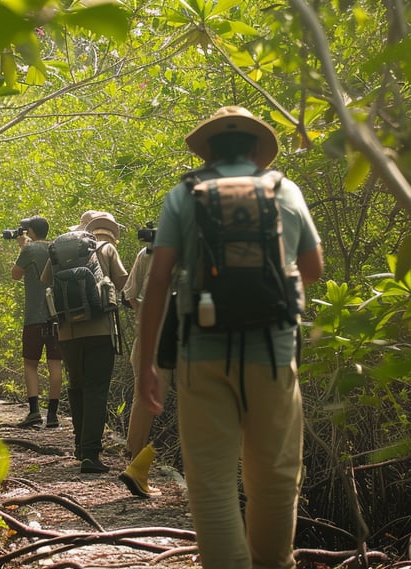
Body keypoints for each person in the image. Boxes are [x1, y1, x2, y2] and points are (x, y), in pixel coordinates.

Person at [136, 106, 324, 569]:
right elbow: (314, 268)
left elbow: (158, 279)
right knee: (276, 479)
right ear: (258, 152)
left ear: (209, 153)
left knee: (212, 484)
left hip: (202, 354)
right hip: (275, 355)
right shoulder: (286, 190)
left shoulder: (183, 195)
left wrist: (148, 367)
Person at [42, 211, 129, 474]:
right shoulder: (107, 249)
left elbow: (45, 280)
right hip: (99, 330)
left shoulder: (61, 249)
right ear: (111, 231)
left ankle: (80, 447)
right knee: (96, 388)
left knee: (77, 386)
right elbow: (124, 283)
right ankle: (91, 453)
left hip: (67, 331)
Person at [117, 240, 172, 497]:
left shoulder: (149, 250)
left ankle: (136, 465)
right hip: (183, 339)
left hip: (149, 335)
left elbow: (129, 294)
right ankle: (137, 469)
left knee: (144, 398)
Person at [11, 216, 65, 428]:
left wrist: (23, 247)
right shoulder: (57, 249)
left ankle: (34, 412)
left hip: (34, 316)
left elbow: (15, 275)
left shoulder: (29, 250)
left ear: (31, 231)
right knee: (55, 364)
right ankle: (52, 414)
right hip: (56, 316)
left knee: (30, 363)